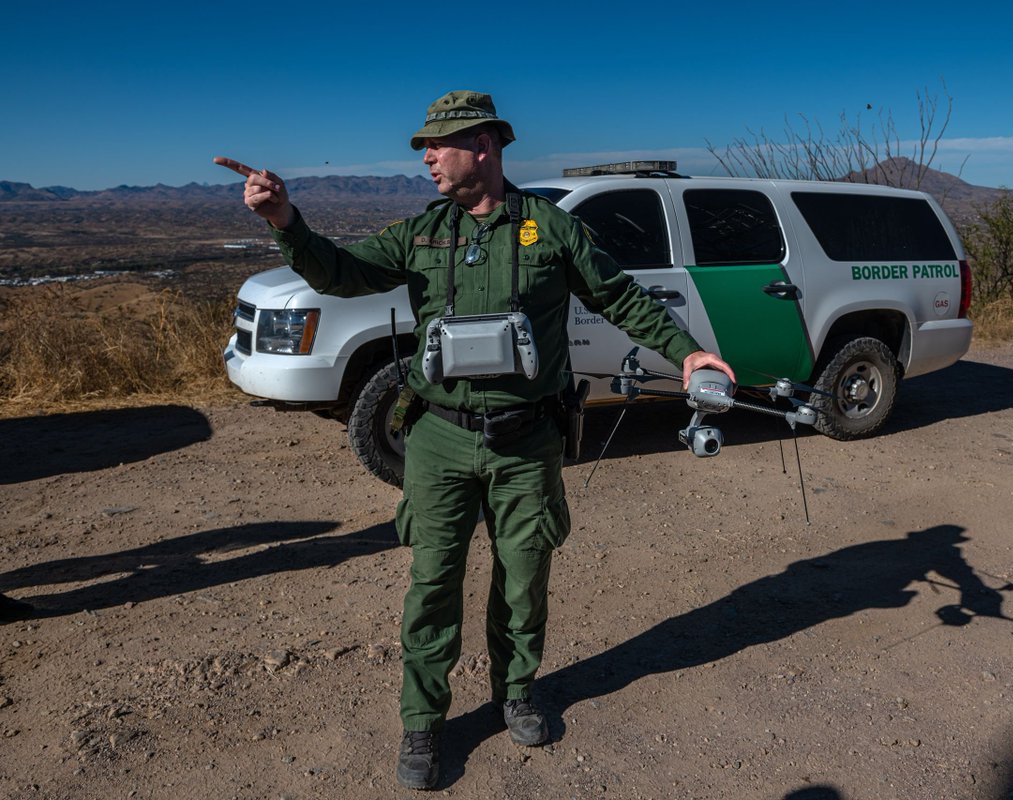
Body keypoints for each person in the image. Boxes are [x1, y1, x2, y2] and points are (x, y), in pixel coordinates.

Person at [215, 89, 734, 790]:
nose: (426, 157)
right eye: (424, 148)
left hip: (528, 441)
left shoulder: (551, 230)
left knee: (524, 580)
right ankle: (424, 723)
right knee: (433, 583)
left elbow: (620, 296)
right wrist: (284, 218)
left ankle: (516, 692)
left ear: (484, 147)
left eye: (438, 145)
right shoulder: (422, 233)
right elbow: (339, 272)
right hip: (439, 439)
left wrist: (689, 352)